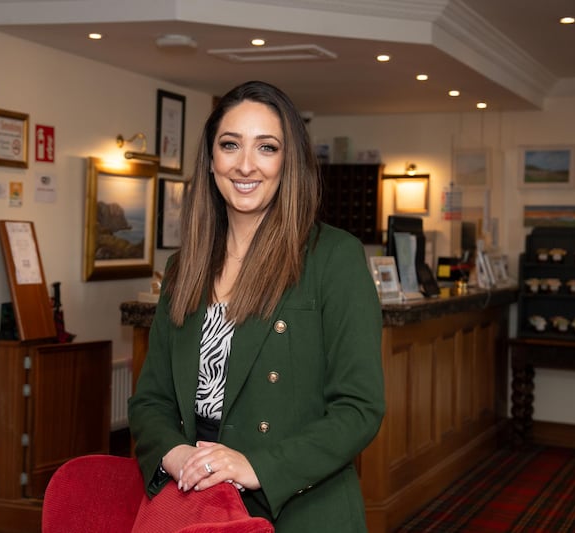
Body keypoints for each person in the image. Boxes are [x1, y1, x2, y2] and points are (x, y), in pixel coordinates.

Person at [128, 80, 385, 532]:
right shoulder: (183, 267)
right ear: (211, 160)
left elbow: (359, 407)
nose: (246, 165)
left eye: (266, 148)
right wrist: (180, 454)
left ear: (289, 163)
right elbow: (151, 400)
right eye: (230, 145)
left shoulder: (333, 257)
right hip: (197, 507)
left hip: (299, 509)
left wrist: (255, 467)